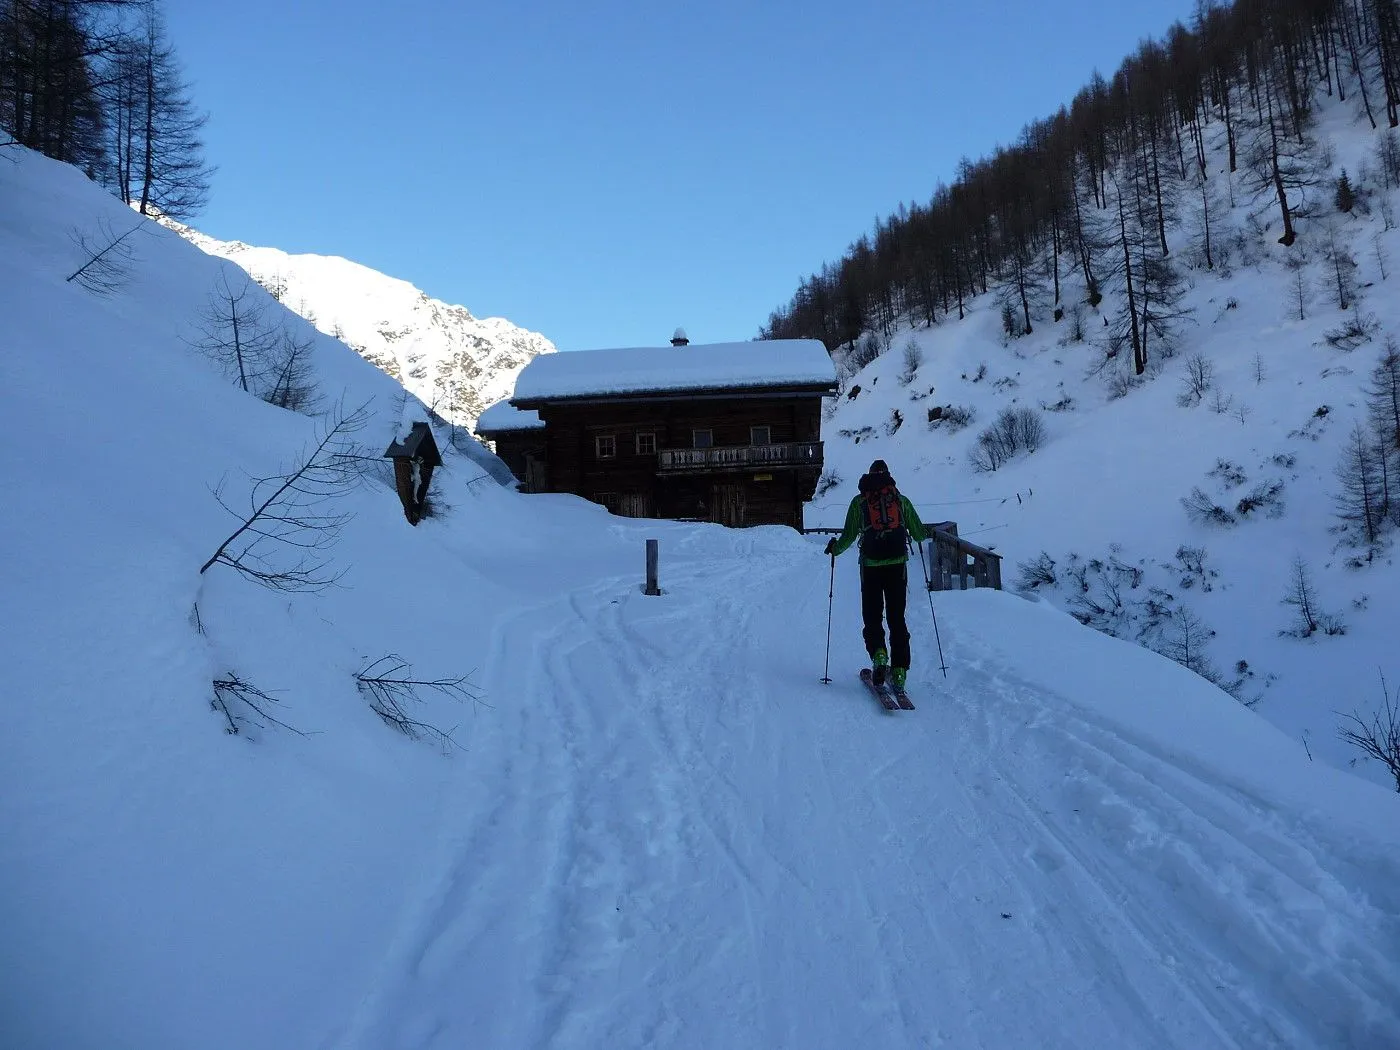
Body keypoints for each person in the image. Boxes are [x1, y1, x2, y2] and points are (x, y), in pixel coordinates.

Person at [824, 460, 929, 693]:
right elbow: (919, 533)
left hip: (870, 566)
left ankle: (879, 655)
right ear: (889, 476)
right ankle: (899, 672)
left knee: (872, 615)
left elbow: (849, 535)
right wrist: (923, 533)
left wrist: (834, 549)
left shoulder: (859, 502)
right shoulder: (900, 500)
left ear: (869, 476)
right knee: (897, 617)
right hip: (897, 566)